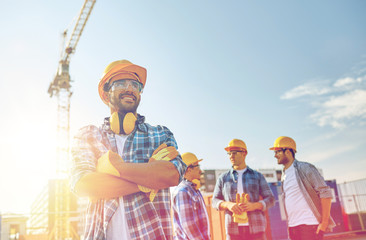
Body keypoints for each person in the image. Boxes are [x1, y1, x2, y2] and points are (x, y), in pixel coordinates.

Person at [70, 60, 186, 240]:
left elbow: (172, 175)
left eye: (135, 85)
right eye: (121, 83)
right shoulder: (89, 136)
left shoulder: (160, 134)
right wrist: (149, 178)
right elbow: (84, 185)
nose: (130, 88)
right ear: (106, 93)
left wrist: (115, 169)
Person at [269, 136, 336, 240]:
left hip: (310, 224)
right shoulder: (284, 175)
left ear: (287, 151)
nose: (275, 155)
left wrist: (324, 223)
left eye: (277, 152)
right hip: (292, 227)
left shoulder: (305, 168)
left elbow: (325, 192)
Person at [212, 139, 275, 240]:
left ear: (244, 153)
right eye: (229, 154)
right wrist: (229, 205)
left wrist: (254, 206)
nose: (231, 156)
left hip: (257, 229)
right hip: (233, 230)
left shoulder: (257, 176)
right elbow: (214, 201)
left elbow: (271, 199)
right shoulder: (223, 178)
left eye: (234, 153)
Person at [172, 152, 211, 240]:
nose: (200, 171)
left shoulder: (193, 189)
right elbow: (188, 224)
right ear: (189, 169)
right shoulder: (183, 191)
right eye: (198, 167)